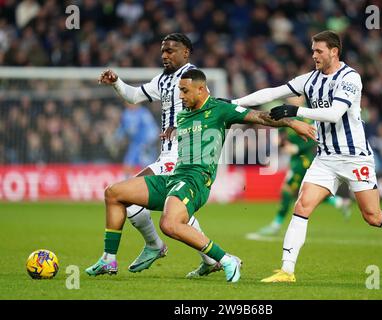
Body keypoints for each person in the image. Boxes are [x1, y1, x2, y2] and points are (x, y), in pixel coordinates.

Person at [232, 30, 382, 282]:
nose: (313, 55)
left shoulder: (350, 78)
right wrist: (232, 103)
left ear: (334, 51)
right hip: (325, 158)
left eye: (319, 51)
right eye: (312, 50)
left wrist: (296, 109)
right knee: (302, 206)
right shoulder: (310, 79)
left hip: (354, 158)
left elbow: (335, 113)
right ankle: (287, 270)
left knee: (373, 216)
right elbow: (273, 92)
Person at [85, 69, 316, 282]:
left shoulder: (219, 109)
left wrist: (291, 123)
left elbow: (261, 117)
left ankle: (226, 260)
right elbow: (189, 129)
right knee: (114, 193)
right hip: (174, 177)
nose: (181, 96)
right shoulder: (185, 115)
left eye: (185, 91)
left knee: (170, 224)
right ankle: (109, 260)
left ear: (201, 89)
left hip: (196, 180)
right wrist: (173, 130)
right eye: (179, 91)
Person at [91, 33, 220, 277]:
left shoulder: (193, 79)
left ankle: (153, 246)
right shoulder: (163, 79)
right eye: (163, 50)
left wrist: (182, 131)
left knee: (123, 194)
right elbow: (134, 96)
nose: (164, 55)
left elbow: (209, 115)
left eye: (171, 50)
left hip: (182, 158)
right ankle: (210, 258)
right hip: (167, 156)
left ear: (186, 53)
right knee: (176, 210)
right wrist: (117, 82)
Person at [246, 114, 351, 240]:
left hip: (304, 160)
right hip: (294, 160)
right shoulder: (286, 115)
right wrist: (280, 141)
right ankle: (339, 202)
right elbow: (282, 135)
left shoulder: (309, 117)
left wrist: (296, 148)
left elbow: (315, 138)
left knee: (287, 190)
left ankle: (276, 225)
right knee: (305, 192)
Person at [114, 103, 159, 178]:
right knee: (127, 166)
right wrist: (117, 138)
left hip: (145, 146)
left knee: (147, 168)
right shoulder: (126, 114)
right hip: (134, 145)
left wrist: (150, 141)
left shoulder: (143, 113)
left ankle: (149, 186)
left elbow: (152, 129)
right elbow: (122, 128)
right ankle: (126, 184)